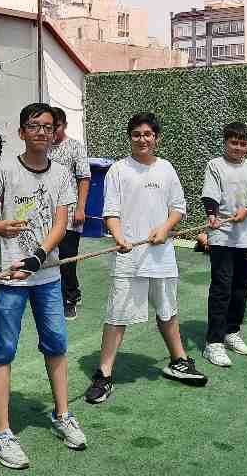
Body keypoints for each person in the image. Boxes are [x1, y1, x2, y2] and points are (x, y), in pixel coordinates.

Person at [0, 103, 86, 469]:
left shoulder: (61, 174)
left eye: (48, 126)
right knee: (3, 352)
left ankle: (62, 414)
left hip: (47, 277)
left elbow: (60, 224)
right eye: (34, 126)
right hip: (11, 279)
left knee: (56, 345)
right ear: (21, 131)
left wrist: (38, 258)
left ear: (56, 133)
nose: (41, 132)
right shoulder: (5, 171)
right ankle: (1, 432)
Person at [84, 112, 207, 405]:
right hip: (128, 257)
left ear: (156, 138)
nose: (143, 139)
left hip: (161, 256)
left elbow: (178, 207)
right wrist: (119, 237)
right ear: (130, 137)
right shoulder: (118, 170)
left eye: (148, 134)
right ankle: (104, 374)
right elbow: (110, 212)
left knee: (168, 310)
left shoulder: (166, 169)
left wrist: (165, 228)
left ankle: (179, 360)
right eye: (137, 134)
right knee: (117, 316)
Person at [200, 122, 247, 367]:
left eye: (243, 143)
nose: (238, 147)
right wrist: (212, 215)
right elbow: (210, 195)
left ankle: (232, 332)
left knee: (241, 287)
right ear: (225, 142)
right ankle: (213, 342)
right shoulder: (215, 165)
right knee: (222, 288)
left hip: (246, 238)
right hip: (222, 236)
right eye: (233, 142)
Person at [47, 107, 91, 320]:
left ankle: (71, 298)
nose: (52, 131)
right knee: (48, 255)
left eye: (55, 126)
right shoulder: (43, 147)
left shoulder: (75, 147)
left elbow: (84, 178)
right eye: (49, 126)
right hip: (47, 214)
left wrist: (81, 208)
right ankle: (53, 295)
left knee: (67, 258)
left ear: (64, 125)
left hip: (71, 213)